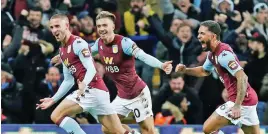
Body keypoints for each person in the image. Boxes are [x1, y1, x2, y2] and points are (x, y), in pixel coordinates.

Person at [51, 11, 172, 134]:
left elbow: (144, 56)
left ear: (113, 26)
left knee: (148, 130)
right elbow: (80, 52)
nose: (101, 29)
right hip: (121, 96)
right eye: (99, 26)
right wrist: (62, 57)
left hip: (138, 94)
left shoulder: (124, 43)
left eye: (105, 25)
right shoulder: (99, 43)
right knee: (107, 129)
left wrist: (161, 65)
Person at [36, 13, 132, 134]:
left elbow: (92, 69)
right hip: (99, 92)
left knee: (56, 115)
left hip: (91, 89)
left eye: (57, 26)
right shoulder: (62, 50)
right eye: (52, 27)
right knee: (117, 131)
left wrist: (84, 84)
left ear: (66, 26)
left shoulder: (78, 43)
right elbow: (68, 81)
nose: (54, 30)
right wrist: (53, 99)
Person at [175, 20, 260, 134]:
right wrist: (186, 70)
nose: (198, 36)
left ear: (213, 36)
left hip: (241, 101)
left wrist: (237, 106)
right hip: (248, 100)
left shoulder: (224, 55)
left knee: (208, 129)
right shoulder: (212, 54)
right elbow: (204, 71)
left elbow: (243, 78)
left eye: (202, 33)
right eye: (198, 33)